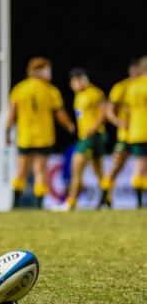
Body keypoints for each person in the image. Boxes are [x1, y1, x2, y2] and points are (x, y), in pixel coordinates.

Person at [6, 57, 75, 208]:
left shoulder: (19, 89)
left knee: (21, 171)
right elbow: (59, 113)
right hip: (44, 137)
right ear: (39, 71)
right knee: (40, 171)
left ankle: (14, 205)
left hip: (25, 137)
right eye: (47, 69)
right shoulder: (51, 90)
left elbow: (12, 114)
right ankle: (38, 205)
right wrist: (70, 125)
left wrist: (7, 131)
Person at [63, 68, 107, 210]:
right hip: (90, 137)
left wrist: (92, 129)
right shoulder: (79, 95)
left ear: (82, 79)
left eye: (75, 81)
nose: (73, 85)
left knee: (76, 168)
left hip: (91, 137)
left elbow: (103, 114)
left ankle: (70, 202)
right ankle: (108, 200)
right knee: (98, 171)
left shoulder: (94, 93)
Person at [99, 60, 139, 208]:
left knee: (141, 167)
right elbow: (109, 110)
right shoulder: (122, 87)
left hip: (142, 134)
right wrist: (118, 122)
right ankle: (104, 198)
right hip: (125, 136)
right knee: (116, 167)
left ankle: (140, 202)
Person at [124, 56, 147, 208]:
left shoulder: (131, 86)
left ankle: (139, 204)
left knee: (139, 167)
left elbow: (126, 111)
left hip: (135, 132)